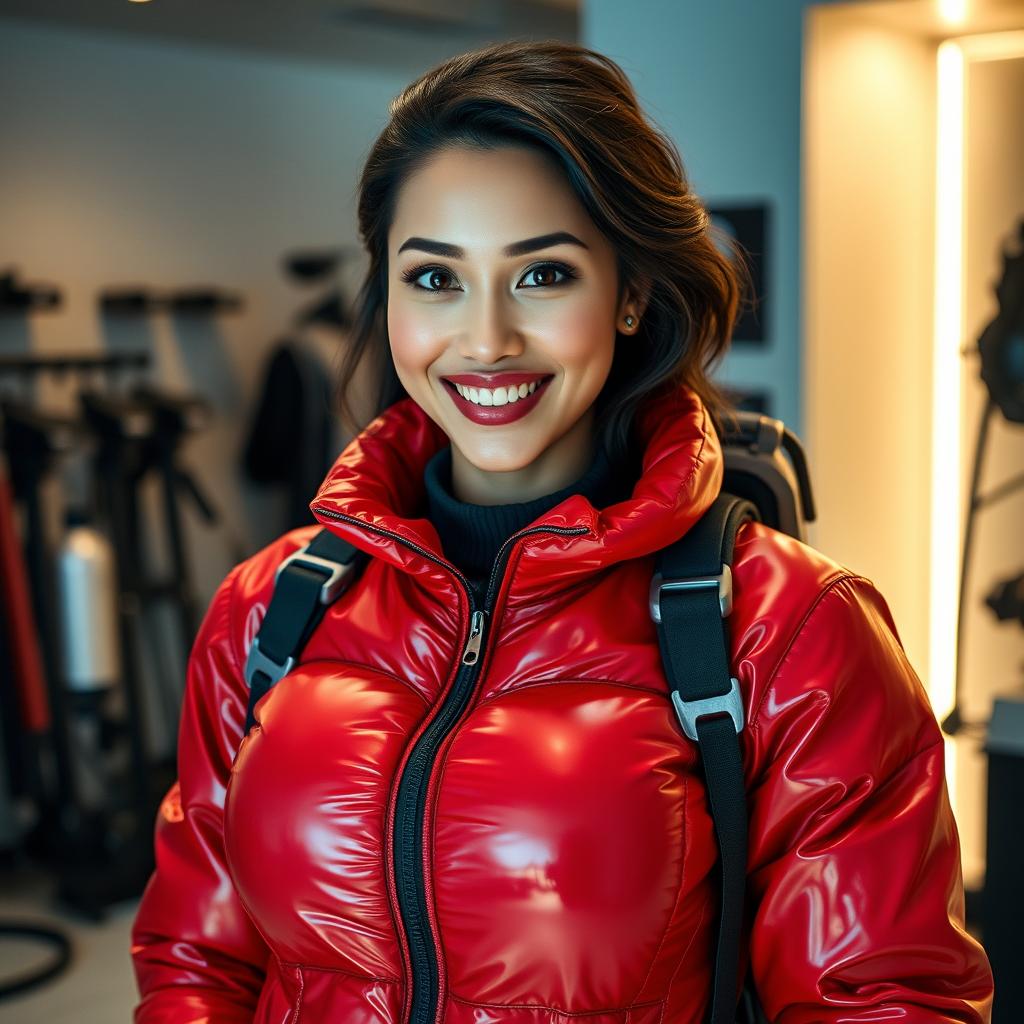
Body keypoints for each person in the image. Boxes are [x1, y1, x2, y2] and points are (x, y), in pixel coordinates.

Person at [130, 40, 994, 1024]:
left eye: (542, 275)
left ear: (628, 292)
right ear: (387, 297)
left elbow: (884, 1000)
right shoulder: (269, 608)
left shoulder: (789, 627)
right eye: (434, 279)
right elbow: (195, 959)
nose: (486, 337)